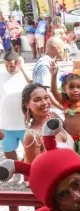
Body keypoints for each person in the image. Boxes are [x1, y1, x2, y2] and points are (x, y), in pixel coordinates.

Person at [0, 52, 30, 183]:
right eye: (7, 66)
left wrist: (22, 68)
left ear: (18, 62)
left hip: (24, 123)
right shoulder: (1, 76)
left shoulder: (24, 75)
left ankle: (29, 174)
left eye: (12, 65)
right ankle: (16, 173)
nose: (9, 68)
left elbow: (33, 83)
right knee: (8, 150)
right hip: (6, 123)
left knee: (29, 150)